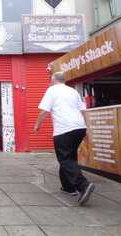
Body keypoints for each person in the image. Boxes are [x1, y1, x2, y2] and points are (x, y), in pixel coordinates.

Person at [34, 71, 95, 206]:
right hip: (79, 128)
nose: (49, 81)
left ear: (53, 79)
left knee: (65, 158)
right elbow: (83, 110)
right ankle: (68, 187)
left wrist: (37, 125)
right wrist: (87, 128)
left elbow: (44, 110)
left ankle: (84, 185)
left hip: (64, 130)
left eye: (50, 79)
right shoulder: (73, 91)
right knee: (69, 157)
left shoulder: (52, 90)